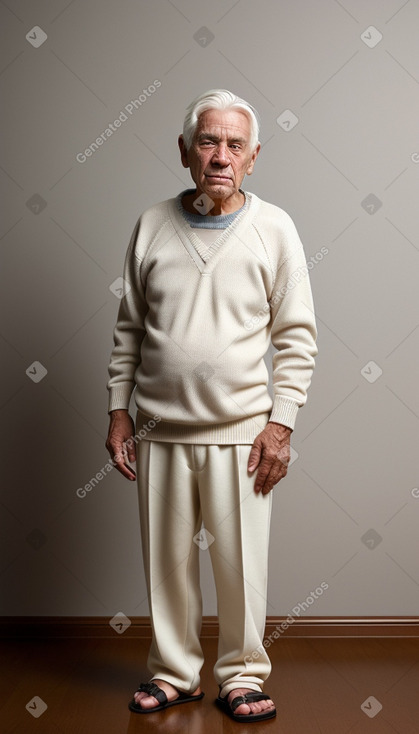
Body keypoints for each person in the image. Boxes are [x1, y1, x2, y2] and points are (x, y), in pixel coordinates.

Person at [105, 88, 318, 723]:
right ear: (184, 152)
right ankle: (174, 671)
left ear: (254, 157)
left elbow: (297, 336)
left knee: (241, 566)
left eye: (233, 145)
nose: (219, 156)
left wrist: (282, 424)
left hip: (244, 432)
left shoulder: (274, 228)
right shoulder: (150, 224)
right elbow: (129, 332)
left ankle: (243, 675)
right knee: (165, 563)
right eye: (207, 141)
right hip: (159, 428)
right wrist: (119, 410)